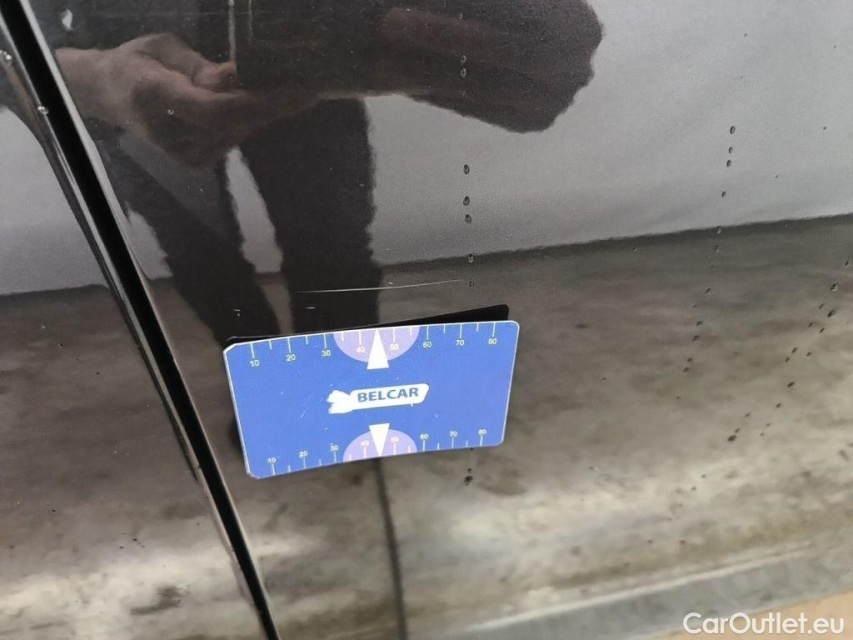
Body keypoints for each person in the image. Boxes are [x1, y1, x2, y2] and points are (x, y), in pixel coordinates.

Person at [8, 0, 603, 344]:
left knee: (325, 246)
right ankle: (276, 379)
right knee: (209, 255)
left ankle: (312, 384)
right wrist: (82, 78)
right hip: (148, 88)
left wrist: (83, 74)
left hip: (293, 67)